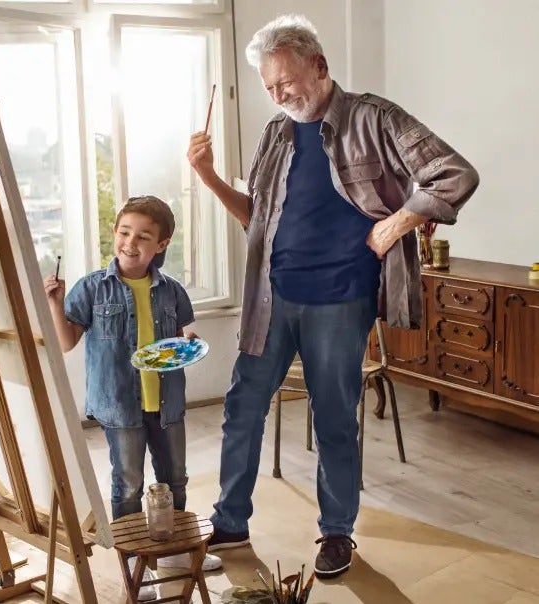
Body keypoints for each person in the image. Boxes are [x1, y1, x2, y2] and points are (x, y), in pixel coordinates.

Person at [187, 14, 479, 578]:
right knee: (242, 411)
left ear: (318, 66)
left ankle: (337, 533)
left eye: (285, 82)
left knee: (335, 420)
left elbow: (454, 174)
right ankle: (229, 520)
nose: (278, 96)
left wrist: (394, 225)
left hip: (340, 301)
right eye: (269, 88)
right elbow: (257, 221)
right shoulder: (275, 133)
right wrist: (208, 177)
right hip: (270, 299)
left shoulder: (374, 118)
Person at [44, 195, 222, 601]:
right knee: (128, 483)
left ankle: (176, 554)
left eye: (144, 236)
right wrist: (54, 302)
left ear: (161, 245)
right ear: (114, 233)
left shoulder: (171, 290)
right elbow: (67, 342)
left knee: (174, 478)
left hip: (167, 402)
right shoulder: (92, 288)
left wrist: (189, 341)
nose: (131, 242)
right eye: (125, 232)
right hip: (119, 404)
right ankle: (131, 559)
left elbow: (182, 336)